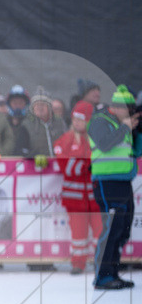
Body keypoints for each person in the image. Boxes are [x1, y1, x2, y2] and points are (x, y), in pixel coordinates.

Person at [88, 85, 138, 290]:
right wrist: (126, 127)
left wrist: (137, 131)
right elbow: (105, 144)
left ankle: (112, 273)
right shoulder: (99, 121)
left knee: (122, 230)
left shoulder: (122, 125)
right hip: (106, 183)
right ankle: (102, 276)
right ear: (114, 107)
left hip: (123, 182)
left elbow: (135, 151)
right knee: (111, 229)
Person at [53, 101, 102, 274]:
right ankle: (78, 263)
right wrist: (84, 165)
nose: (77, 123)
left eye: (81, 120)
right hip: (74, 198)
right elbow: (64, 165)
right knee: (78, 233)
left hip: (95, 196)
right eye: (75, 119)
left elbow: (99, 161)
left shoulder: (96, 138)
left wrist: (85, 164)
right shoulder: (65, 140)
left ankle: (100, 262)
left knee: (99, 231)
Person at [24, 87, 66, 157]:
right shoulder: (27, 125)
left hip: (58, 163)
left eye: (43, 105)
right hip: (37, 165)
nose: (40, 108)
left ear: (49, 107)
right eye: (37, 105)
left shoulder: (59, 123)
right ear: (32, 108)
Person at [6, 85, 34, 157]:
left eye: (21, 103)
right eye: (15, 103)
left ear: (26, 104)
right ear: (9, 104)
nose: (17, 106)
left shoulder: (32, 123)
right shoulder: (3, 123)